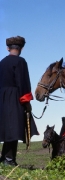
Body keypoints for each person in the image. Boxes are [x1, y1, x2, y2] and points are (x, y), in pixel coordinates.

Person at [0, 36, 39, 166]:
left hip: (2, 98)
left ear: (7, 48)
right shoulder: (21, 62)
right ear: (21, 48)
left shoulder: (2, 62)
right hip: (15, 97)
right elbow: (23, 83)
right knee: (14, 127)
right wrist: (27, 103)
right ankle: (9, 160)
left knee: (6, 127)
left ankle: (4, 158)